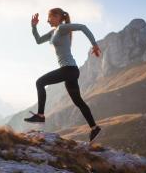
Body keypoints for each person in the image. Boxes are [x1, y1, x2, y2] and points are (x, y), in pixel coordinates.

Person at [25, 8, 102, 142]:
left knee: (40, 82)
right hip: (70, 71)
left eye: (49, 17)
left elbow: (83, 27)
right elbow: (38, 40)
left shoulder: (62, 28)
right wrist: (33, 26)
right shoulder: (53, 32)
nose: (47, 20)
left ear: (57, 17)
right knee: (78, 101)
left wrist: (94, 45)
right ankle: (94, 128)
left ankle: (41, 115)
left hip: (69, 70)